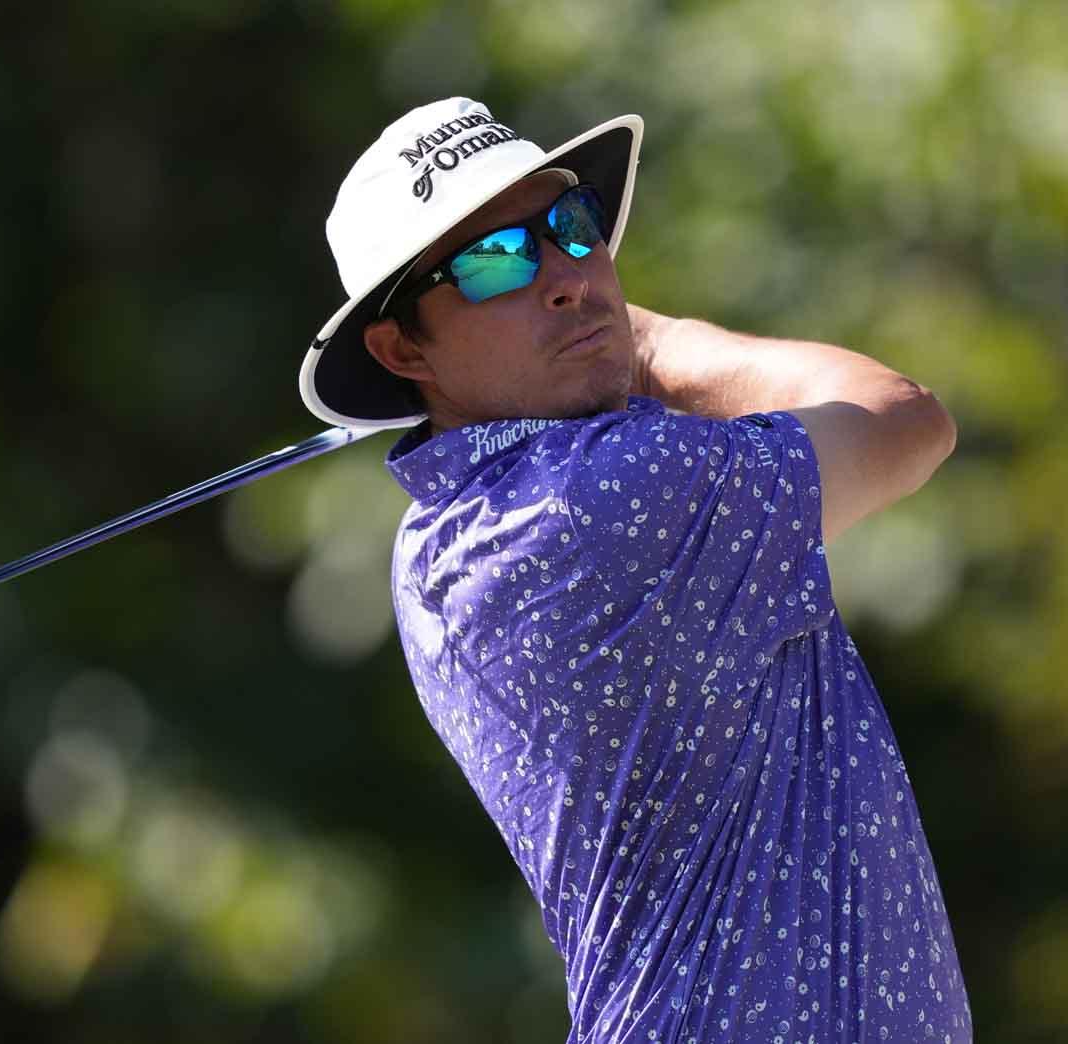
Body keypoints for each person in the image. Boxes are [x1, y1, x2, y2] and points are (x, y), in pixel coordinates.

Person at [301, 98, 971, 1044]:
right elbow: (903, 418)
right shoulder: (599, 498)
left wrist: (585, 336)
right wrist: (644, 340)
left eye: (567, 226)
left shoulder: (444, 539)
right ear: (402, 349)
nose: (565, 275)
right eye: (494, 260)